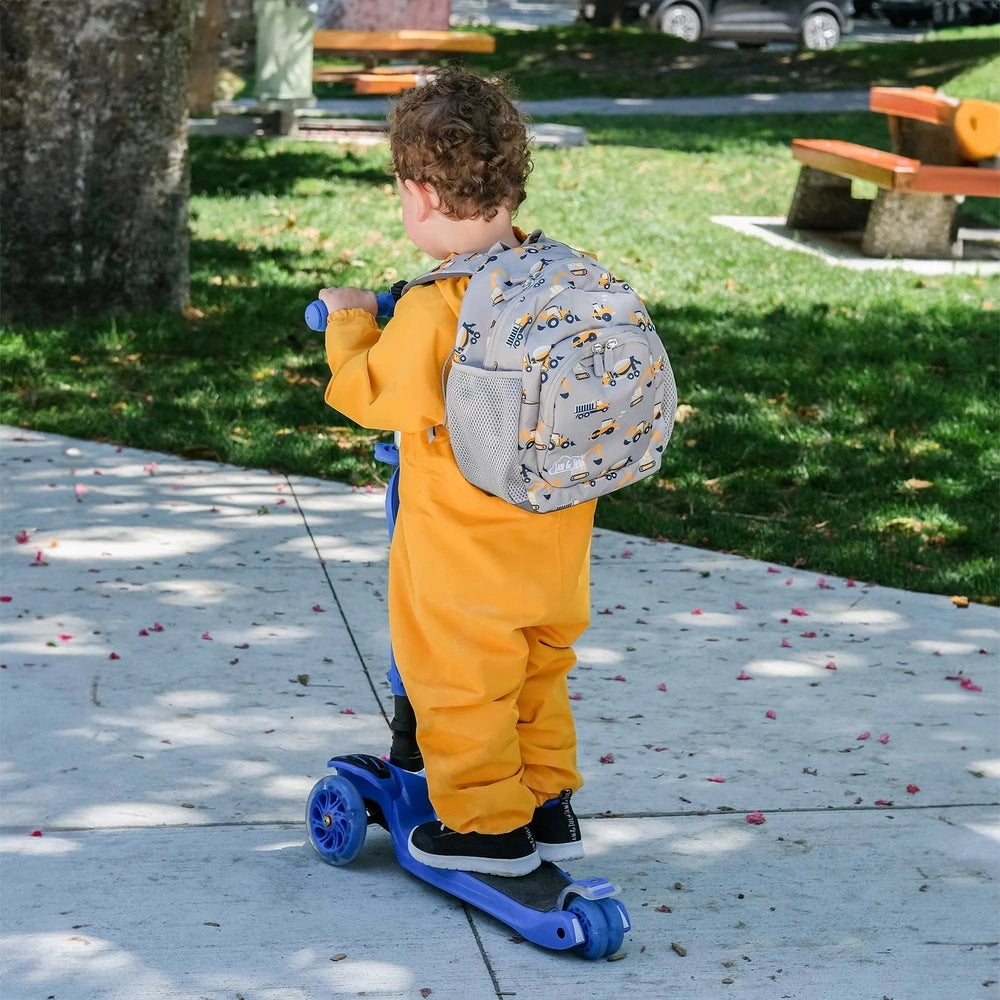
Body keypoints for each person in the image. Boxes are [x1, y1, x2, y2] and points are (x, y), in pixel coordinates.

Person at [318, 66, 594, 878]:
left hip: (463, 558)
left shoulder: (441, 308)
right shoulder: (562, 278)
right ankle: (546, 805)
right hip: (553, 544)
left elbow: (371, 394)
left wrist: (349, 318)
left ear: (422, 196)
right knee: (538, 670)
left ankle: (483, 831)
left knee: (461, 682)